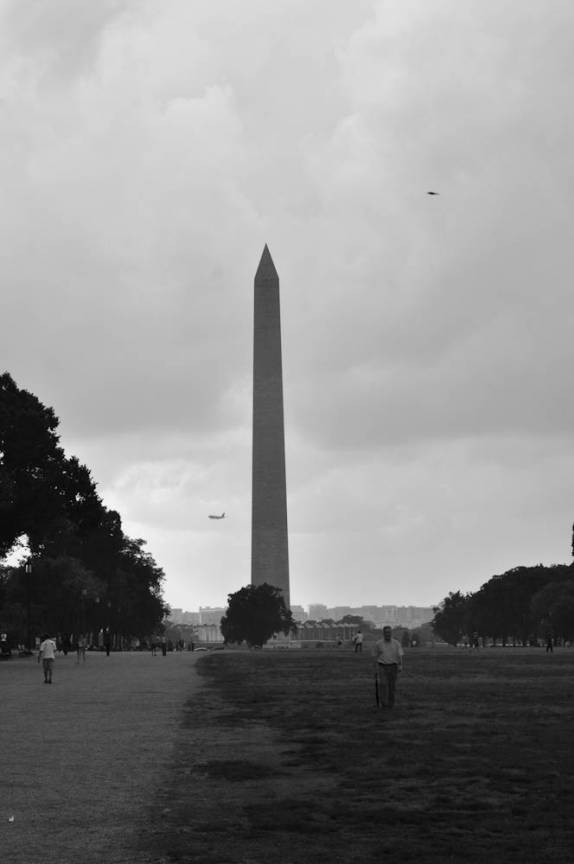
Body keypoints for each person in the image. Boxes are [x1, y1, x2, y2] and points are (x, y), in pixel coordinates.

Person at [373, 626, 404, 709]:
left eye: (389, 632)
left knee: (392, 686)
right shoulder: (378, 644)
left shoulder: (397, 643)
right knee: (383, 685)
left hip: (393, 666)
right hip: (382, 666)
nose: (388, 634)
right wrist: (375, 668)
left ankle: (391, 704)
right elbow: (375, 656)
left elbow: (400, 655)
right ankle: (384, 704)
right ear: (383, 633)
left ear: (391, 633)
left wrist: (400, 665)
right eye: (386, 632)